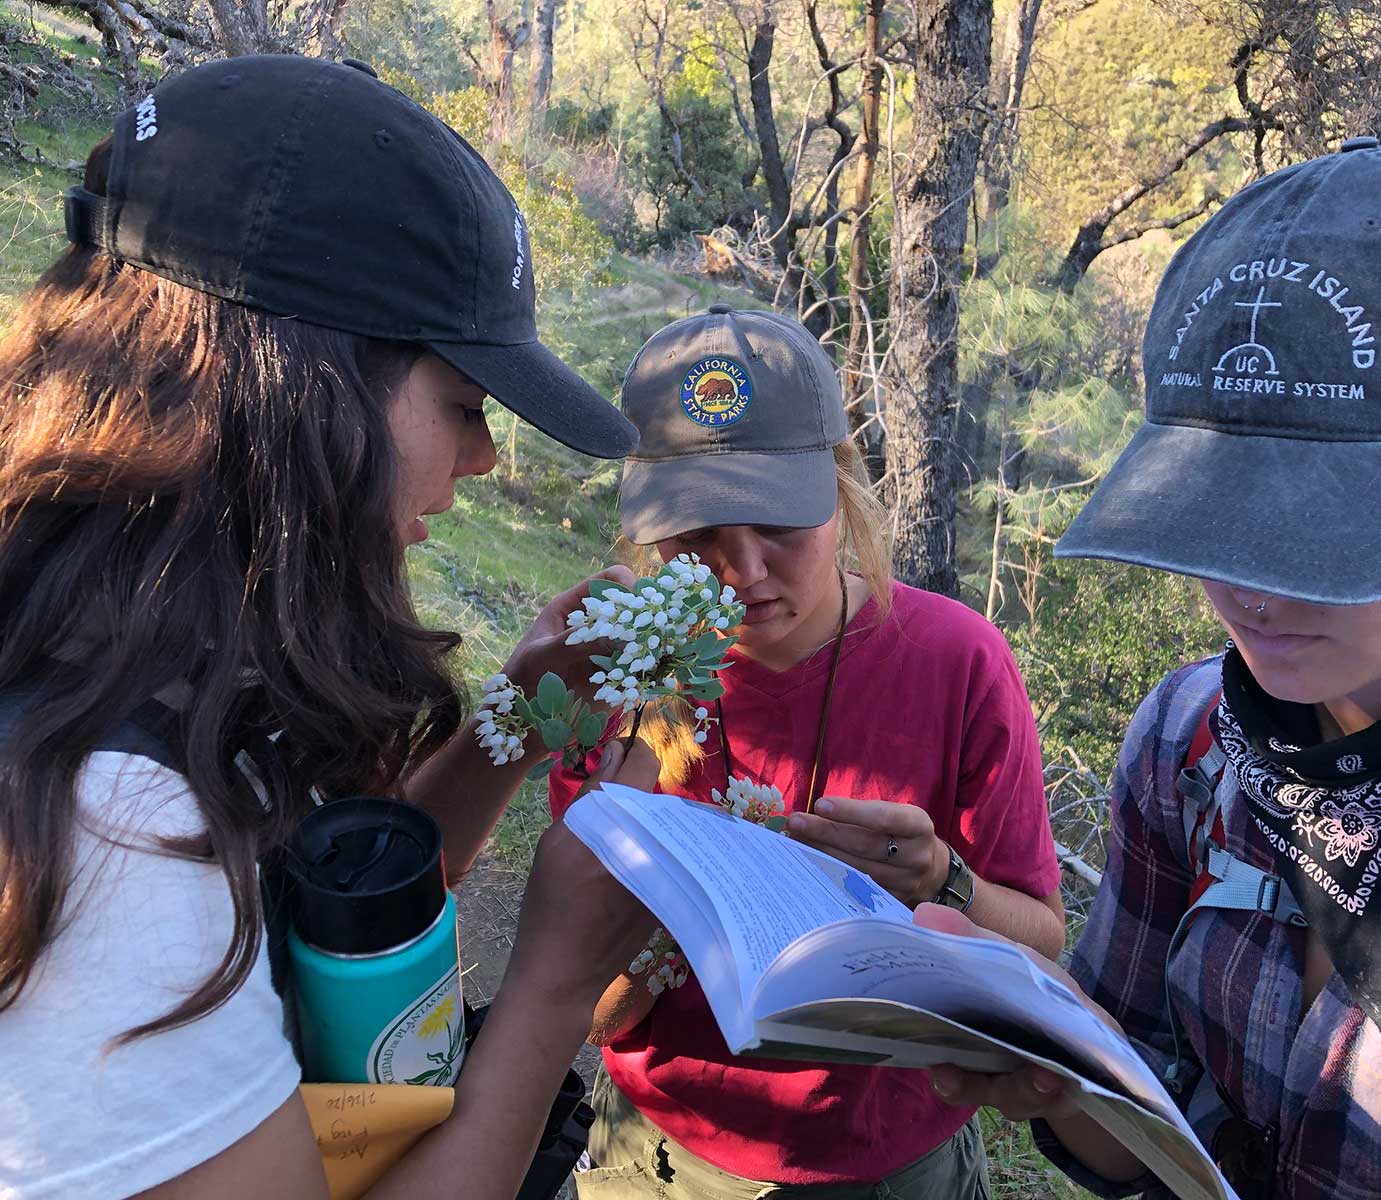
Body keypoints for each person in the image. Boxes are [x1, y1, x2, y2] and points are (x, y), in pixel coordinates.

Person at [0, 55, 664, 1200]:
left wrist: (519, 721)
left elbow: (332, 902)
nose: (482, 459)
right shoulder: (113, 842)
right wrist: (559, 977)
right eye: (462, 406)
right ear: (308, 389)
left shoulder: (141, 647)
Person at [916, 140, 1381, 1198]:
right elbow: (1147, 1116)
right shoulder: (1189, 745)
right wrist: (1058, 1074)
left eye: (1324, 534)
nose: (1251, 594)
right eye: (1215, 517)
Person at [545, 304, 1065, 1199]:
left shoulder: (958, 661)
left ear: (841, 488)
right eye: (698, 532)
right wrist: (665, 924)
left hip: (891, 1160)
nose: (742, 569)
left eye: (778, 522)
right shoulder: (617, 679)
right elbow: (580, 1007)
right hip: (664, 1158)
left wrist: (944, 882)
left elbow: (1043, 945)